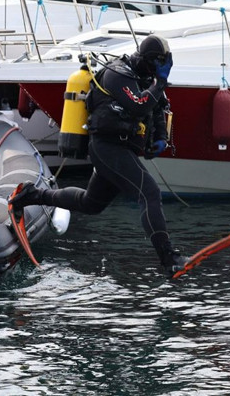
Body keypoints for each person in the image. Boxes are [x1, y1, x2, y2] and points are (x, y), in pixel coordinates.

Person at [10, 34, 188, 277]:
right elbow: (137, 104)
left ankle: (31, 195)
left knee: (90, 203)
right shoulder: (118, 73)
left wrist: (159, 137)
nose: (160, 71)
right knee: (150, 193)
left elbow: (158, 107)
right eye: (158, 65)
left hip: (120, 149)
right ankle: (168, 258)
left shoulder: (146, 77)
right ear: (149, 60)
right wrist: (159, 83)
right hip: (106, 147)